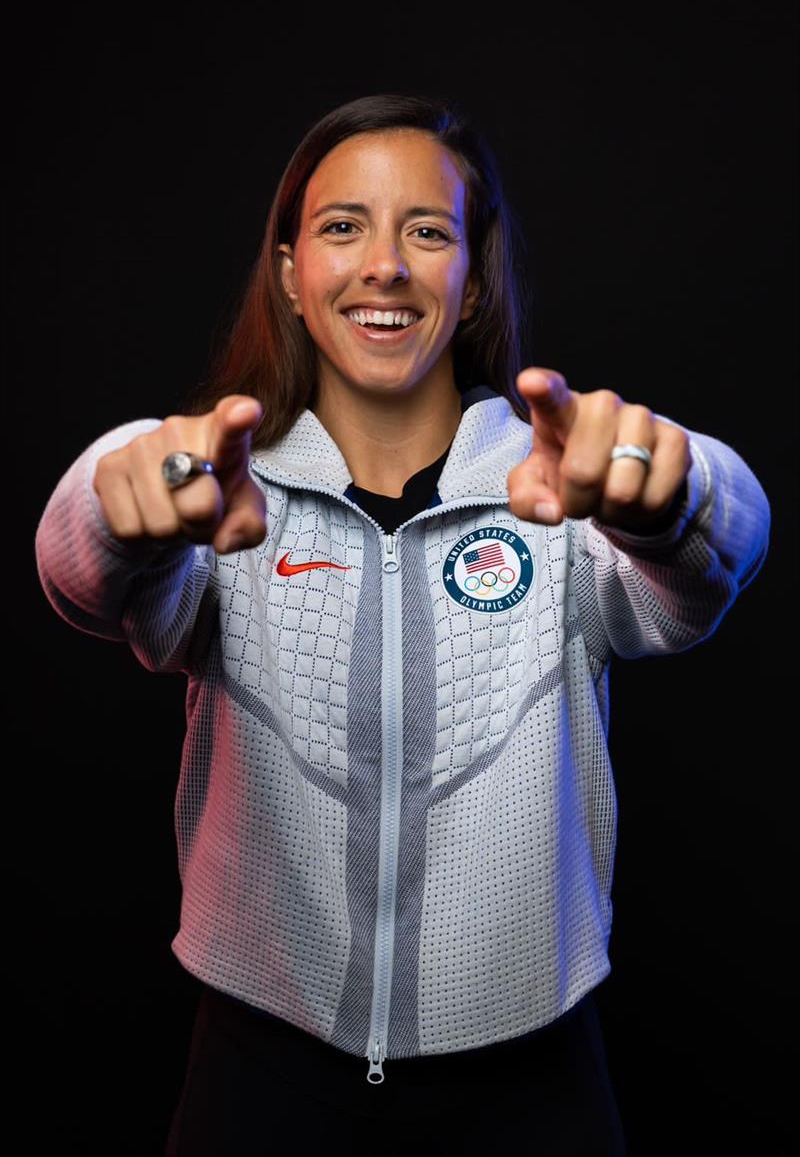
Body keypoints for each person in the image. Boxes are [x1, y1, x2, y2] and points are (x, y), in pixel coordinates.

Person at [34, 93, 770, 1156]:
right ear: (289, 272)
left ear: (470, 277)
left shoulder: (557, 492)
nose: (383, 264)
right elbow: (81, 564)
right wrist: (117, 503)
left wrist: (680, 492)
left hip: (532, 1083)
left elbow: (714, 562)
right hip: (258, 1076)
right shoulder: (219, 491)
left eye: (426, 231)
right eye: (342, 227)